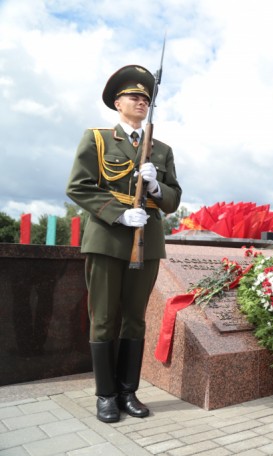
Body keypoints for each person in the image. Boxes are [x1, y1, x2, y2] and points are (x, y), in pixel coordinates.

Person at [66, 65, 182, 423]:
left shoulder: (161, 149)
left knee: (135, 319)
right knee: (103, 318)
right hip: (106, 238)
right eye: (134, 97)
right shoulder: (97, 139)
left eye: (146, 99)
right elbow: (79, 187)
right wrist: (118, 213)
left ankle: (128, 392)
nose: (141, 102)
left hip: (146, 241)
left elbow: (174, 198)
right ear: (118, 103)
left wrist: (156, 188)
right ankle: (105, 395)